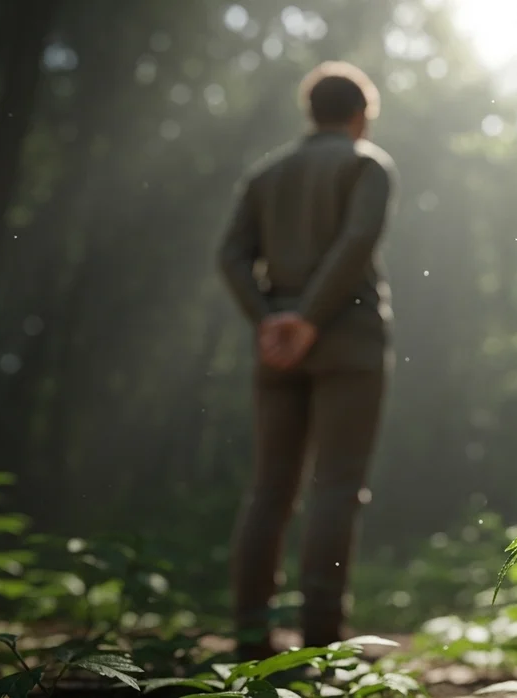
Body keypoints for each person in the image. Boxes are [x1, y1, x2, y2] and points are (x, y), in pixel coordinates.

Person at [217, 60, 397, 659]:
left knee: (269, 488)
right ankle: (321, 635)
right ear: (359, 115)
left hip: (277, 352)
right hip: (347, 342)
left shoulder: (266, 175)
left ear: (310, 113)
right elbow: (356, 241)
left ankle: (249, 631)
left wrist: (272, 320)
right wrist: (310, 321)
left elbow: (230, 256)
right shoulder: (366, 165)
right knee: (337, 485)